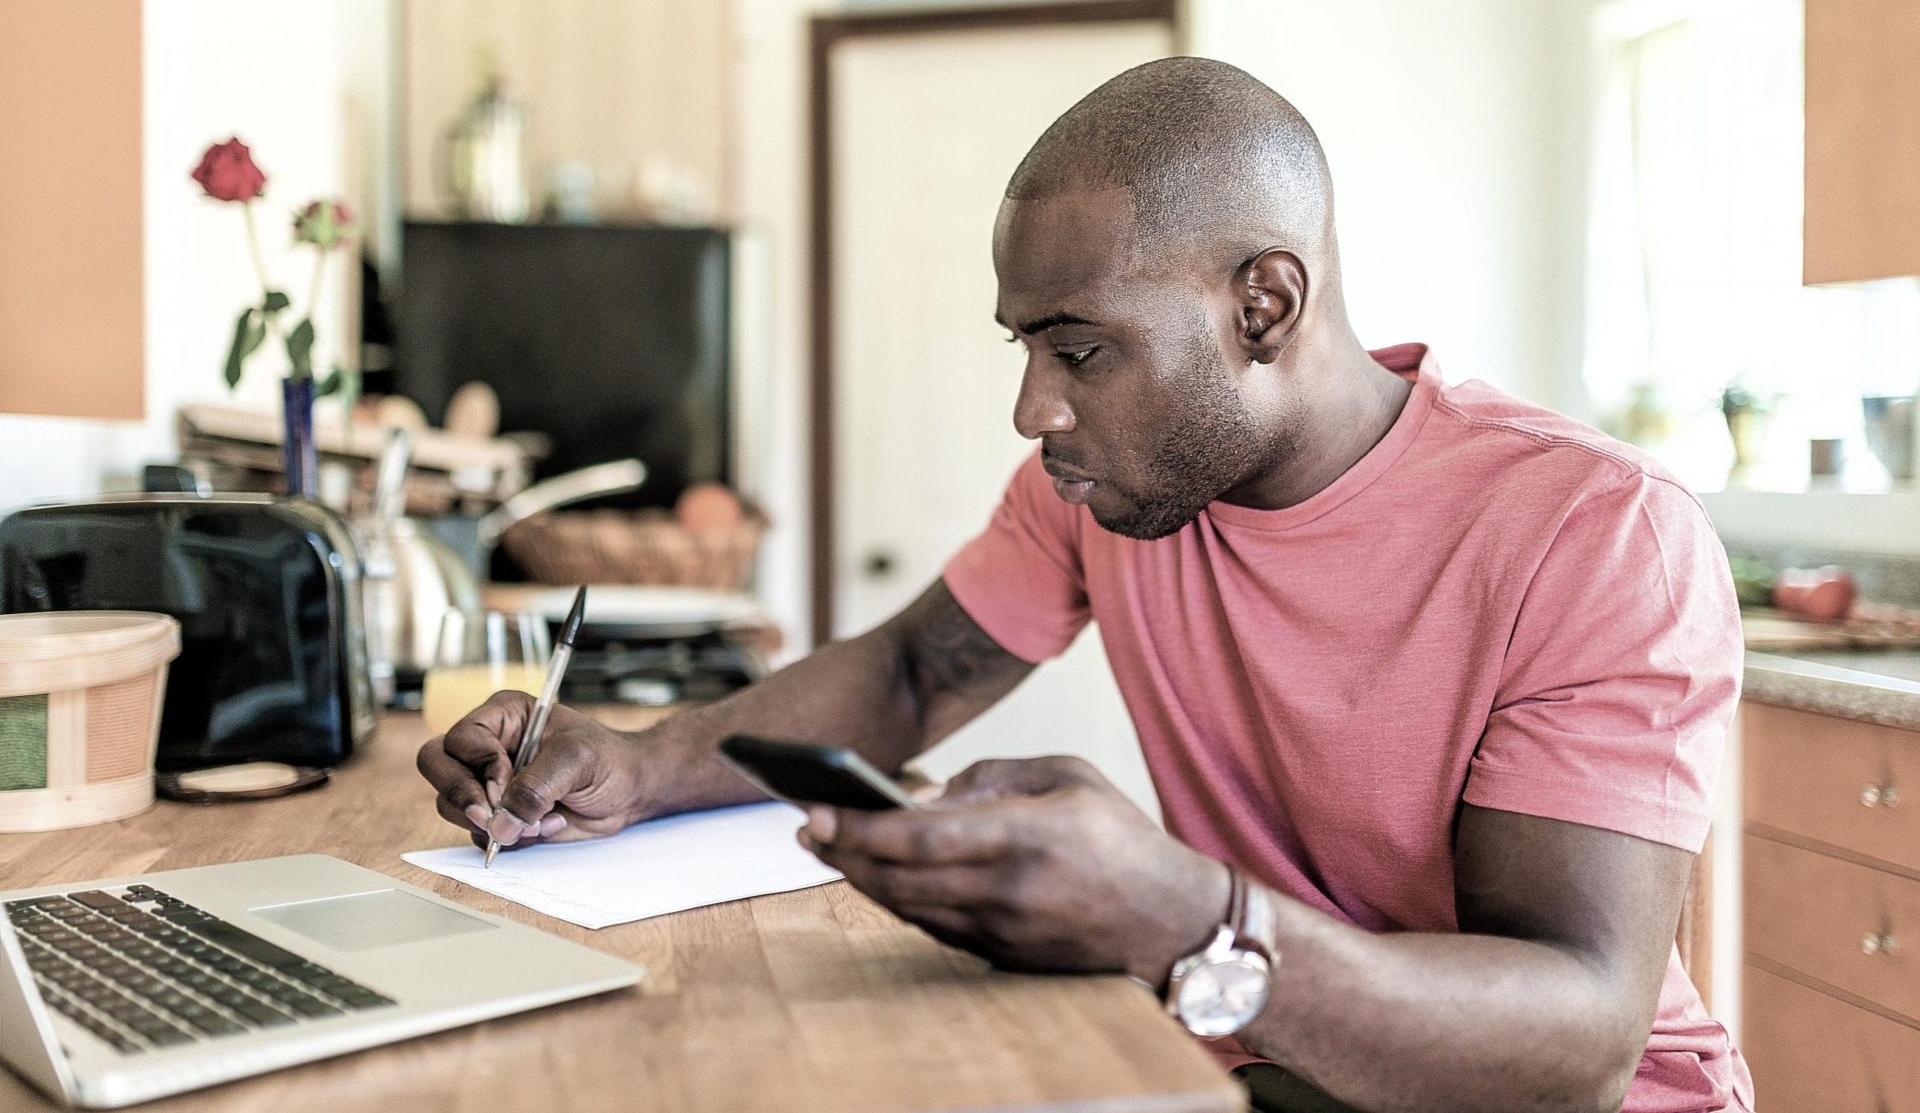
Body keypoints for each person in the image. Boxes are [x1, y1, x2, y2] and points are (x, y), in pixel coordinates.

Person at [418, 58, 1751, 1113]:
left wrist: (1183, 913)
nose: (1031, 407)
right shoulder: (1116, 479)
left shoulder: (1594, 531)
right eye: (1025, 346)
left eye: (1078, 349)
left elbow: (1573, 1043)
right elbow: (911, 670)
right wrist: (641, 765)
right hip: (1274, 1060)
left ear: (1267, 306)